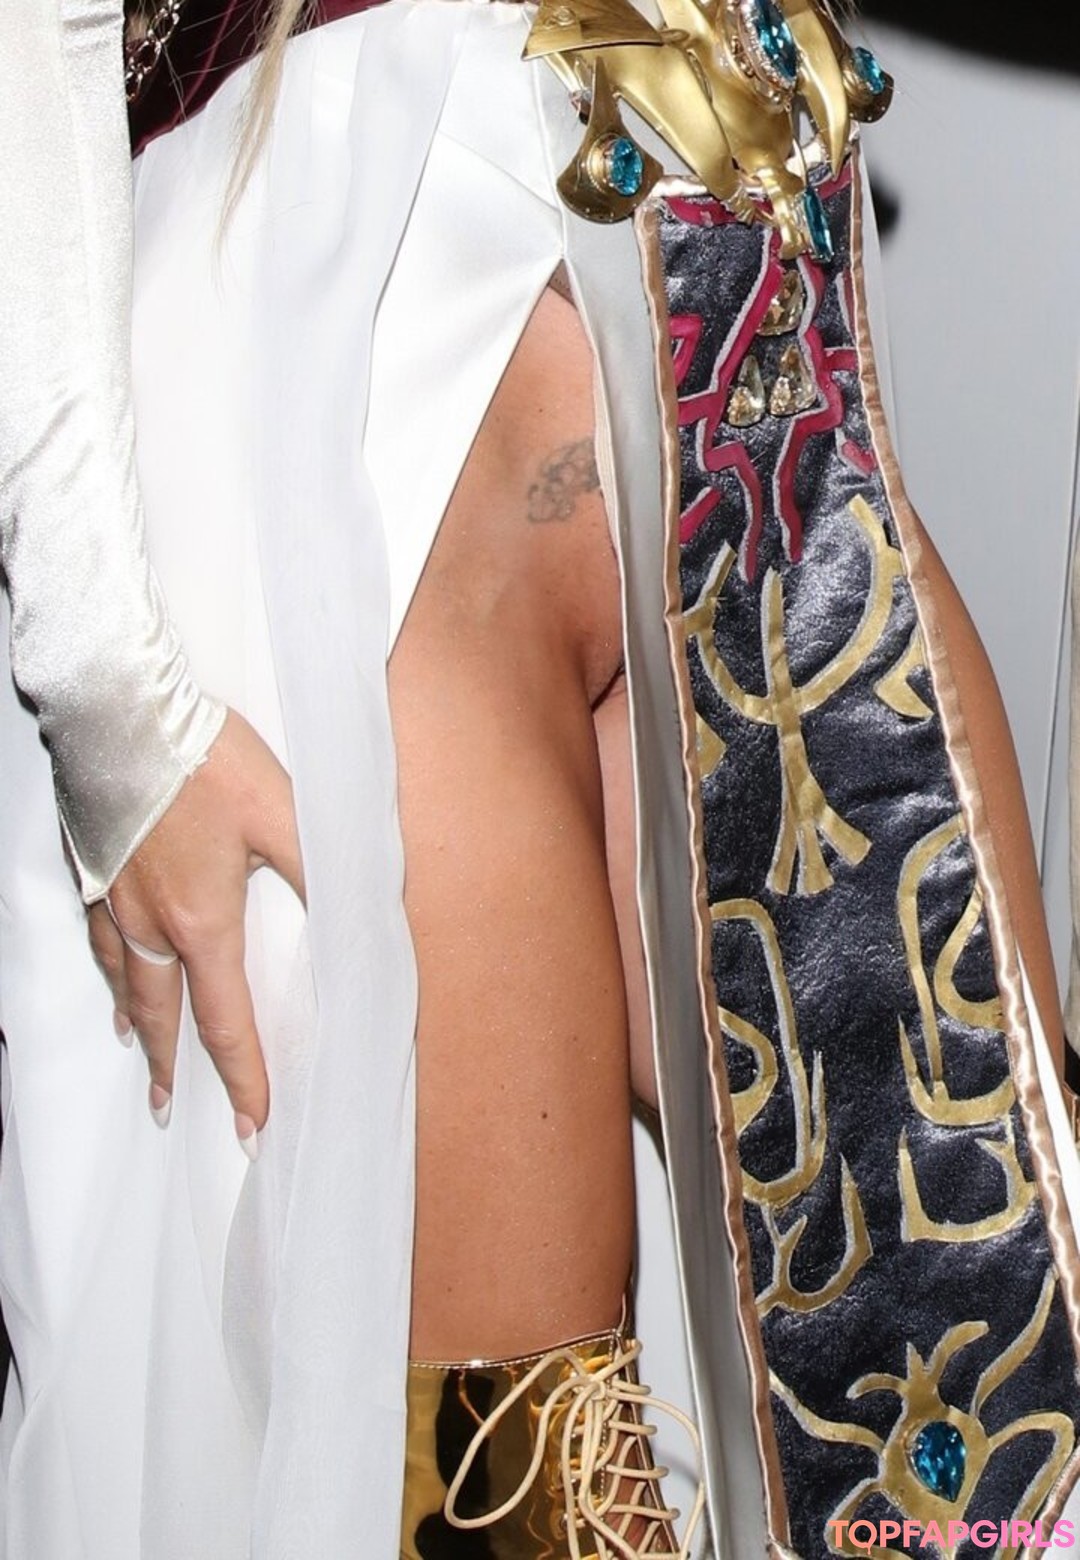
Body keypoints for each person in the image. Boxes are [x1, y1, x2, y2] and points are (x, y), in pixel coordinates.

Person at [3, 2, 1080, 1558]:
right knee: (514, 1494)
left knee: (976, 1407)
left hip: (743, 381)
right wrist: (105, 685)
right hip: (333, 439)